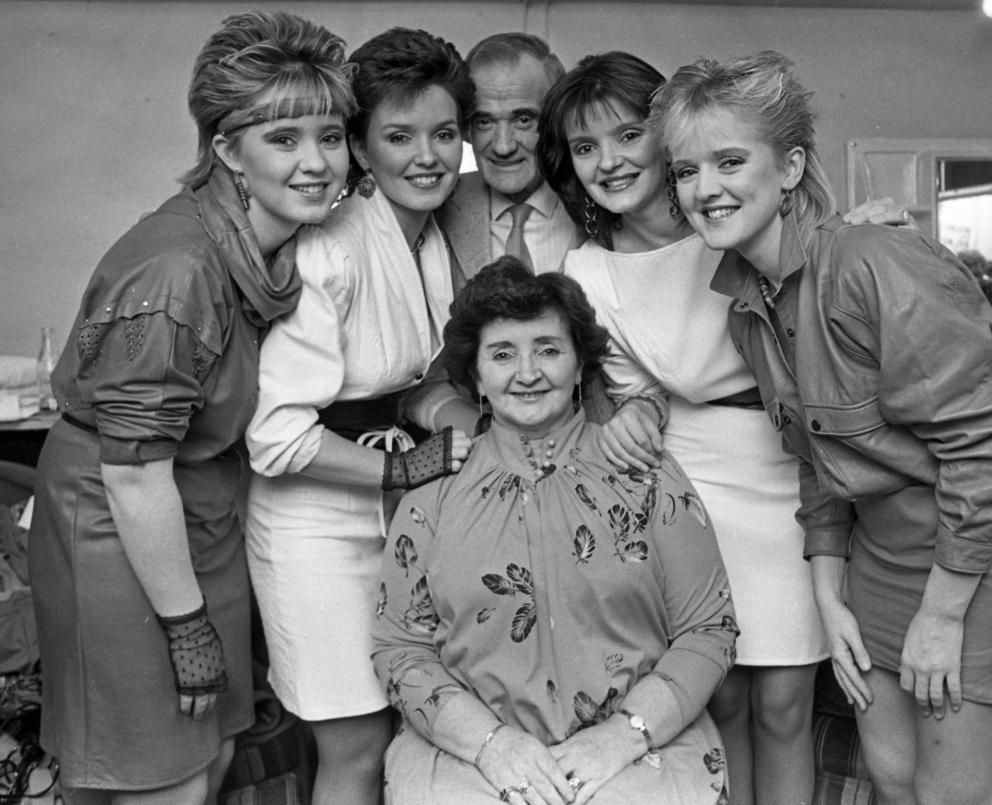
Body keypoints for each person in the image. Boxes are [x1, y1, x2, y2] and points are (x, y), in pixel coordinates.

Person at [652, 52, 992, 805]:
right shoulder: (749, 301)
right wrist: (830, 594)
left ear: (790, 165)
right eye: (685, 170)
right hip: (878, 557)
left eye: (730, 161)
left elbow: (989, 442)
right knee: (894, 782)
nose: (704, 189)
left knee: (950, 798)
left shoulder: (874, 261)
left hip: (978, 557)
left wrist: (943, 613)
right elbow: (819, 465)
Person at [537, 51, 909, 805]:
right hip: (690, 486)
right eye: (584, 147)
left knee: (783, 703)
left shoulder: (739, 214)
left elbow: (824, 296)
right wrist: (634, 409)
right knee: (720, 698)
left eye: (627, 133)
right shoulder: (587, 269)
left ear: (668, 132)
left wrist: (861, 234)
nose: (608, 161)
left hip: (794, 473)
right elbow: (628, 387)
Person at [27, 11, 355, 803]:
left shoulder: (261, 242)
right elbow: (134, 474)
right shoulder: (176, 270)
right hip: (121, 518)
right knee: (161, 775)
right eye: (283, 139)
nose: (316, 162)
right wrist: (185, 624)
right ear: (225, 149)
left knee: (206, 759)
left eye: (332, 135)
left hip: (196, 506)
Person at [373, 257, 739, 805]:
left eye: (547, 349)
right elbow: (399, 646)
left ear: (579, 367)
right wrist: (491, 745)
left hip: (639, 749)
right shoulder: (436, 490)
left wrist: (621, 738)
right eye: (502, 354)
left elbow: (709, 629)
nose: (527, 372)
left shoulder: (644, 473)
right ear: (475, 376)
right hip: (470, 754)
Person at [244, 28, 477, 805]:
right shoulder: (329, 252)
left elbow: (401, 379)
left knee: (402, 722)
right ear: (360, 148)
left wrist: (454, 412)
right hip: (311, 524)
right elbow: (275, 434)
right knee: (353, 738)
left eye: (444, 134)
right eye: (399, 136)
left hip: (391, 520)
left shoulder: (429, 238)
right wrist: (406, 467)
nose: (427, 156)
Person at [437, 33, 582, 276]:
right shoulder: (439, 204)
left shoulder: (598, 202)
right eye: (484, 121)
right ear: (467, 129)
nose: (503, 147)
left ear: (557, 119)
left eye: (523, 119)